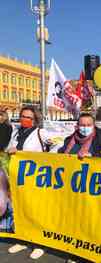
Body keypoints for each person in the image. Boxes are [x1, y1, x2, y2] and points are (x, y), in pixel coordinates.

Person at [6, 106, 49, 259]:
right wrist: (10, 150)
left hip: (35, 177)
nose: (24, 119)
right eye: (23, 116)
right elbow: (10, 147)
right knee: (21, 209)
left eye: (28, 117)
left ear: (35, 120)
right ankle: (23, 239)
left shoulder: (41, 133)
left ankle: (39, 243)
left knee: (36, 210)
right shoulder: (17, 132)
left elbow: (57, 146)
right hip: (18, 178)